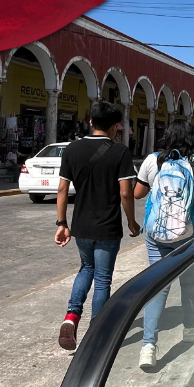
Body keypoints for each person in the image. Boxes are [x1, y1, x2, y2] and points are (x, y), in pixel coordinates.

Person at [132, 118, 194, 372]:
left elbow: (137, 194)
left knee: (157, 288)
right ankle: (190, 329)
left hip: (157, 235)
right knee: (189, 281)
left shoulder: (153, 161)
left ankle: (148, 346)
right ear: (190, 139)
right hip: (190, 234)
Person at [57, 100, 141, 351]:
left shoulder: (72, 149)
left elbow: (62, 189)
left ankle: (71, 317)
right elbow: (126, 193)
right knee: (103, 279)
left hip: (80, 225)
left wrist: (61, 223)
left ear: (90, 122)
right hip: (107, 227)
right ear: (116, 127)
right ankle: (97, 332)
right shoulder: (120, 152)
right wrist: (132, 222)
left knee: (86, 268)